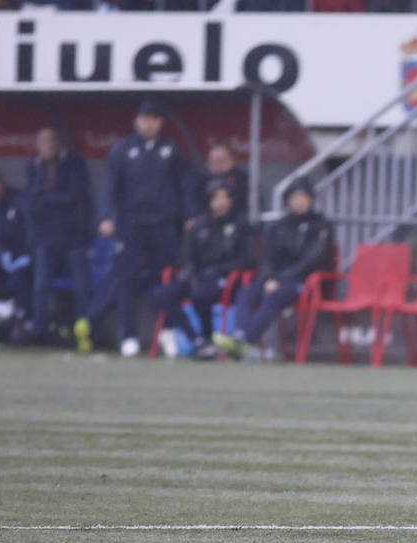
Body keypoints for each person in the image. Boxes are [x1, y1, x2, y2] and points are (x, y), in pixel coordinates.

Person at [84, 100, 194, 357]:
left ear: (160, 123)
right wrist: (106, 217)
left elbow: (184, 185)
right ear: (137, 121)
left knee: (164, 282)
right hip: (131, 226)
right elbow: (110, 187)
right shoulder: (122, 150)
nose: (148, 123)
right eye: (144, 118)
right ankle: (129, 335)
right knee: (127, 282)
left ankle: (167, 333)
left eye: (154, 119)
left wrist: (188, 214)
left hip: (163, 226)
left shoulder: (171, 150)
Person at [215, 177, 334, 359]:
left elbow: (314, 259)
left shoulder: (321, 226)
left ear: (311, 199)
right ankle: (239, 335)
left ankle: (246, 341)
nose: (299, 201)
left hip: (307, 282)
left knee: (273, 296)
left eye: (303, 196)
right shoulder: (278, 226)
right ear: (288, 201)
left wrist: (280, 279)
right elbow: (268, 258)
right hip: (277, 278)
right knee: (246, 292)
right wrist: (271, 277)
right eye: (295, 197)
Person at [151, 182, 252, 360]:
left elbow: (247, 259)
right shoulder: (199, 224)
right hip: (199, 276)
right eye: (216, 198)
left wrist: (219, 270)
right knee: (162, 293)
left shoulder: (241, 225)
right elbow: (187, 256)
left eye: (224, 197)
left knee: (200, 294)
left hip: (225, 278)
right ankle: (196, 340)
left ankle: (207, 336)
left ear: (231, 200)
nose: (220, 202)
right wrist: (189, 273)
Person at [24, 128, 91, 345]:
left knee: (81, 284)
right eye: (43, 141)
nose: (48, 145)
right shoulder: (33, 165)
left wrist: (47, 195)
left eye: (51, 140)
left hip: (72, 234)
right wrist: (51, 196)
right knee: (41, 284)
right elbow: (32, 199)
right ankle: (39, 330)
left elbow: (74, 195)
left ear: (59, 142)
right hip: (45, 235)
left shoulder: (73, 163)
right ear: (37, 144)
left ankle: (85, 327)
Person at [0, 172, 31, 332]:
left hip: (21, 255)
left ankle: (22, 318)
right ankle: (2, 308)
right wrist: (0, 253)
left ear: (1, 183)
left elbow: (27, 232)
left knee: (24, 275)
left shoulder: (17, 201)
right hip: (0, 256)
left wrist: (25, 254)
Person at [193, 143, 249, 221]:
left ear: (233, 161)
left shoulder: (243, 181)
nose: (216, 165)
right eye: (212, 162)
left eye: (221, 161)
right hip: (209, 225)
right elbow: (197, 209)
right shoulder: (202, 183)